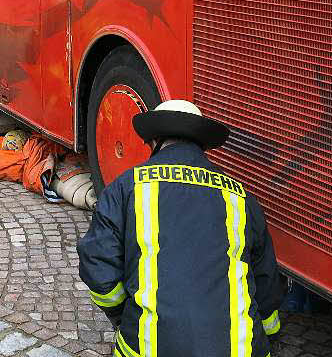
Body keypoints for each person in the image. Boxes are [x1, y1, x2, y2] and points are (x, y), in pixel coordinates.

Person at [78, 99, 283, 357]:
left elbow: (97, 264)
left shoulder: (127, 187)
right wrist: (269, 334)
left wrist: (124, 315)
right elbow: (266, 282)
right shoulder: (240, 197)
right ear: (201, 145)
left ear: (154, 142)